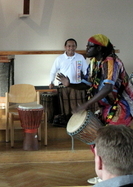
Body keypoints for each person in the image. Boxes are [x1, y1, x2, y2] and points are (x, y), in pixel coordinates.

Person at [57, 34, 133, 184]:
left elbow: (107, 87)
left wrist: (85, 105)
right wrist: (69, 84)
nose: (86, 49)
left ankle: (119, 177)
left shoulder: (112, 62)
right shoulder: (93, 63)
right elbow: (87, 84)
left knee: (114, 142)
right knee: (96, 140)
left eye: (89, 46)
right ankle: (104, 175)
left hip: (122, 107)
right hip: (106, 107)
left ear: (99, 48)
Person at [49, 38, 88, 126]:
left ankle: (78, 122)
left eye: (73, 46)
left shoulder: (80, 57)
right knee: (65, 105)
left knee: (76, 104)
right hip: (63, 87)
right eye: (69, 46)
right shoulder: (59, 58)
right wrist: (51, 82)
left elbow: (86, 70)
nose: (71, 48)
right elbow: (53, 71)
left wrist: (88, 81)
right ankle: (66, 121)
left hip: (77, 86)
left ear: (76, 47)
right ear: (65, 47)